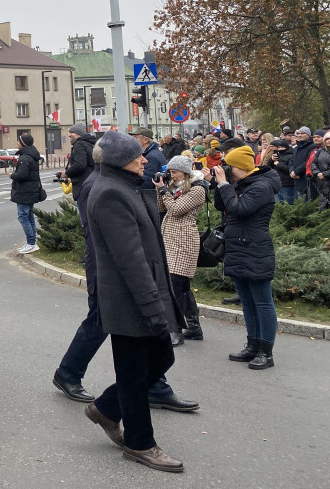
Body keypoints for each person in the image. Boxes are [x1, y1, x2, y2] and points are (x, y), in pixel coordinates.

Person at [84, 131, 184, 473]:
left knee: (159, 358)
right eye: (138, 156)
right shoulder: (111, 192)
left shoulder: (123, 186)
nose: (145, 159)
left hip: (138, 296)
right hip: (129, 300)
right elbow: (130, 260)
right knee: (134, 369)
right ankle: (141, 444)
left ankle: (108, 407)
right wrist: (153, 306)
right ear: (119, 161)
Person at [206, 146, 280, 370]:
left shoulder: (261, 187)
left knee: (263, 302)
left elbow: (239, 209)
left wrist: (225, 184)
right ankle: (252, 345)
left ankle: (266, 353)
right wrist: (219, 184)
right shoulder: (242, 184)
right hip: (237, 248)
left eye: (230, 165)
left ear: (240, 167)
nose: (227, 168)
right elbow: (222, 205)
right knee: (247, 302)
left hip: (255, 249)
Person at [153, 155, 207, 344]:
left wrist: (164, 192)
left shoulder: (197, 188)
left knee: (175, 286)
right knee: (182, 287)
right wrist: (161, 188)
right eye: (170, 172)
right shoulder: (174, 188)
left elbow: (176, 209)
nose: (172, 175)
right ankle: (193, 327)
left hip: (184, 240)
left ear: (184, 172)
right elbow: (162, 208)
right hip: (170, 238)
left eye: (174, 172)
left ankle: (175, 330)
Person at [10, 133, 45, 254]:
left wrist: (12, 175)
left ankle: (31, 243)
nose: (17, 143)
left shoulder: (25, 158)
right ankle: (32, 242)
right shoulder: (32, 155)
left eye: (18, 141)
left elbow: (22, 175)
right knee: (29, 215)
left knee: (23, 216)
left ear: (23, 143)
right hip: (31, 190)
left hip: (25, 191)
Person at [61, 124, 97, 222]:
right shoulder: (91, 144)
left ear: (79, 134)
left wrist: (66, 173)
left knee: (85, 220)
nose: (69, 135)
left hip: (82, 185)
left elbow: (80, 165)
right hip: (93, 183)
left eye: (72, 132)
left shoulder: (79, 144)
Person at [289, 126, 317, 202]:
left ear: (308, 135)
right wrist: (291, 171)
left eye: (302, 133)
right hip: (297, 180)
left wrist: (296, 172)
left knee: (308, 203)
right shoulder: (297, 148)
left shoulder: (312, 147)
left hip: (307, 180)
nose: (300, 135)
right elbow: (292, 161)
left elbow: (309, 162)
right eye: (298, 133)